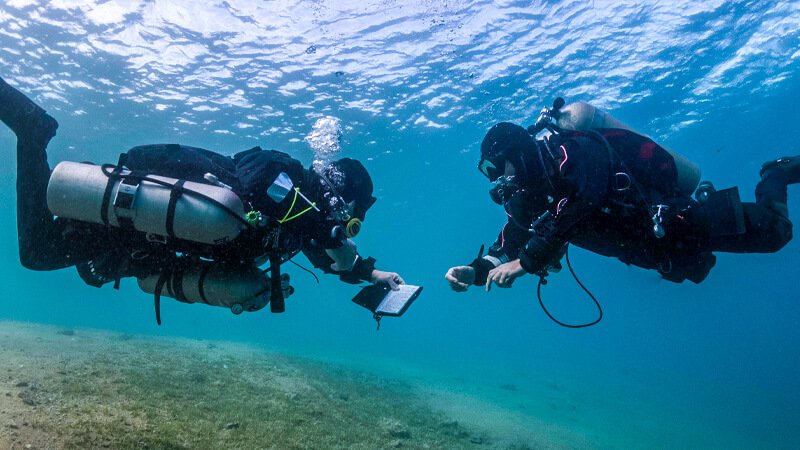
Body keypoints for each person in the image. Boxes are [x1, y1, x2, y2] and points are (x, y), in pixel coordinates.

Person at [0, 76, 404, 321]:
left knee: (42, 253)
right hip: (140, 211)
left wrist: (371, 275)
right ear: (339, 195)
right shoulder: (290, 177)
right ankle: (33, 133)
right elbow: (255, 169)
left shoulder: (301, 226)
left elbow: (325, 256)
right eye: (350, 216)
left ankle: (33, 134)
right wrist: (328, 228)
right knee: (37, 253)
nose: (346, 224)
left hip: (146, 234)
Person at [446, 99, 798, 292]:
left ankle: (775, 172)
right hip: (658, 249)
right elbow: (513, 236)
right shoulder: (528, 196)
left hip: (677, 220)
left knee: (776, 232)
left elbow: (584, 200)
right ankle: (713, 199)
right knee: (699, 264)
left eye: (496, 168)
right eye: (488, 173)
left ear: (518, 154)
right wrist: (477, 270)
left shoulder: (575, 150)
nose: (496, 180)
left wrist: (526, 263)